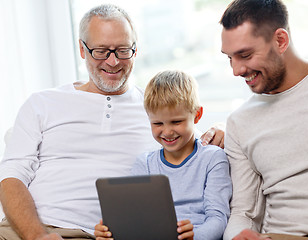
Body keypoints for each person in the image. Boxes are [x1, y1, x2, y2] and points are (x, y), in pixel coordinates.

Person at [0, 4, 224, 240]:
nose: (113, 61)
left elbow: (191, 140)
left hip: (95, 235)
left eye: (123, 50)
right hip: (24, 231)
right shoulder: (42, 103)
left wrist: (223, 130)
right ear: (82, 49)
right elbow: (10, 176)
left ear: (135, 50)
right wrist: (37, 236)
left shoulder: (156, 113)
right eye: (101, 51)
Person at [219, 0, 308, 240]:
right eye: (229, 58)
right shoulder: (239, 122)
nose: (236, 70)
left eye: (245, 55)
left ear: (280, 41)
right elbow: (243, 212)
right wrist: (236, 237)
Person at [94, 70, 232, 240]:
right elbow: (135, 218)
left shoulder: (212, 158)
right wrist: (111, 232)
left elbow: (218, 219)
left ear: (197, 115)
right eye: (157, 123)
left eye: (176, 122)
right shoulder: (144, 164)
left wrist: (195, 236)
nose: (167, 132)